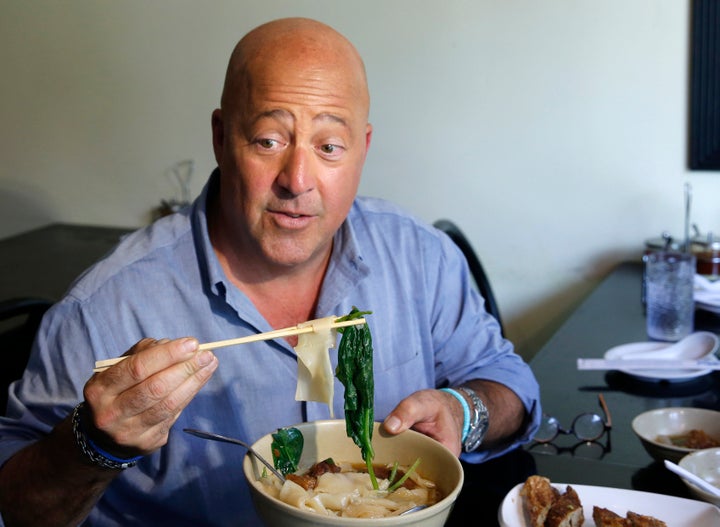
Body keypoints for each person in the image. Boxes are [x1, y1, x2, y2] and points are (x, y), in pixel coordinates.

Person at [0, 17, 540, 527]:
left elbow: (512, 386)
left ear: (363, 149)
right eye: (268, 141)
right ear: (220, 137)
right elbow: (14, 506)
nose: (298, 179)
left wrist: (462, 409)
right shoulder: (105, 307)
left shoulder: (420, 256)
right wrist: (93, 446)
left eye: (329, 147)